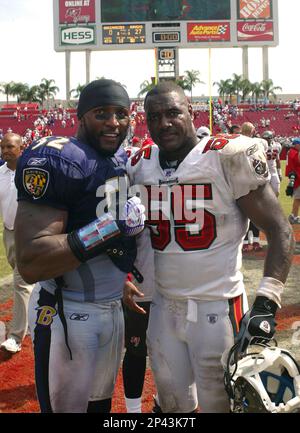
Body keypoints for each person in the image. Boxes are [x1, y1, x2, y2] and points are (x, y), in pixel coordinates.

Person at [126, 81, 294, 413]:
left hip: (217, 308)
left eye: (173, 112)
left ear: (191, 112)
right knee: (172, 404)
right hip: (162, 307)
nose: (164, 123)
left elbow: (279, 230)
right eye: (154, 116)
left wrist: (266, 302)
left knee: (221, 403)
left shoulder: (225, 156)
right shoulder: (139, 163)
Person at [13, 79, 146, 413]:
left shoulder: (114, 161)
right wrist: (109, 227)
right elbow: (31, 260)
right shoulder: (58, 158)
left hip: (109, 308)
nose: (114, 122)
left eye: (121, 113)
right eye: (102, 113)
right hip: (66, 310)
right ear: (81, 116)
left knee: (99, 408)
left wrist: (119, 279)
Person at [0, 133, 34, 353]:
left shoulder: (32, 173)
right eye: (2, 147)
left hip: (30, 234)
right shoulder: (0, 174)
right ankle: (33, 317)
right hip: (9, 231)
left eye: (10, 147)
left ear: (21, 148)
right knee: (26, 279)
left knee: (21, 282)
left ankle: (16, 336)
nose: (5, 151)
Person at [122, 227, 155, 413]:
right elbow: (120, 240)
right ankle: (133, 412)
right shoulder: (131, 198)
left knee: (176, 352)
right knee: (136, 352)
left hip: (178, 289)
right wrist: (125, 277)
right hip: (143, 286)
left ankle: (168, 404)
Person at [240, 122, 263, 252]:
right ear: (252, 130)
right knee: (255, 215)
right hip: (253, 181)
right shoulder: (257, 143)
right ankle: (255, 241)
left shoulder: (236, 142)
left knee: (244, 214)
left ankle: (245, 242)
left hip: (241, 182)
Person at [261, 130, 282, 197]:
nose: (266, 140)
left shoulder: (277, 145)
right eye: (264, 139)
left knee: (276, 190)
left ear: (271, 138)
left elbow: (278, 160)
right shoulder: (260, 146)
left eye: (267, 139)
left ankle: (273, 204)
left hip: (273, 171)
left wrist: (279, 172)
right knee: (263, 192)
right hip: (263, 171)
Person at [285, 137, 300, 224]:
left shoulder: (291, 151)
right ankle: (293, 216)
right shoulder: (294, 152)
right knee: (297, 198)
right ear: (296, 144)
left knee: (298, 198)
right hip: (297, 177)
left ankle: (295, 215)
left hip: (294, 176)